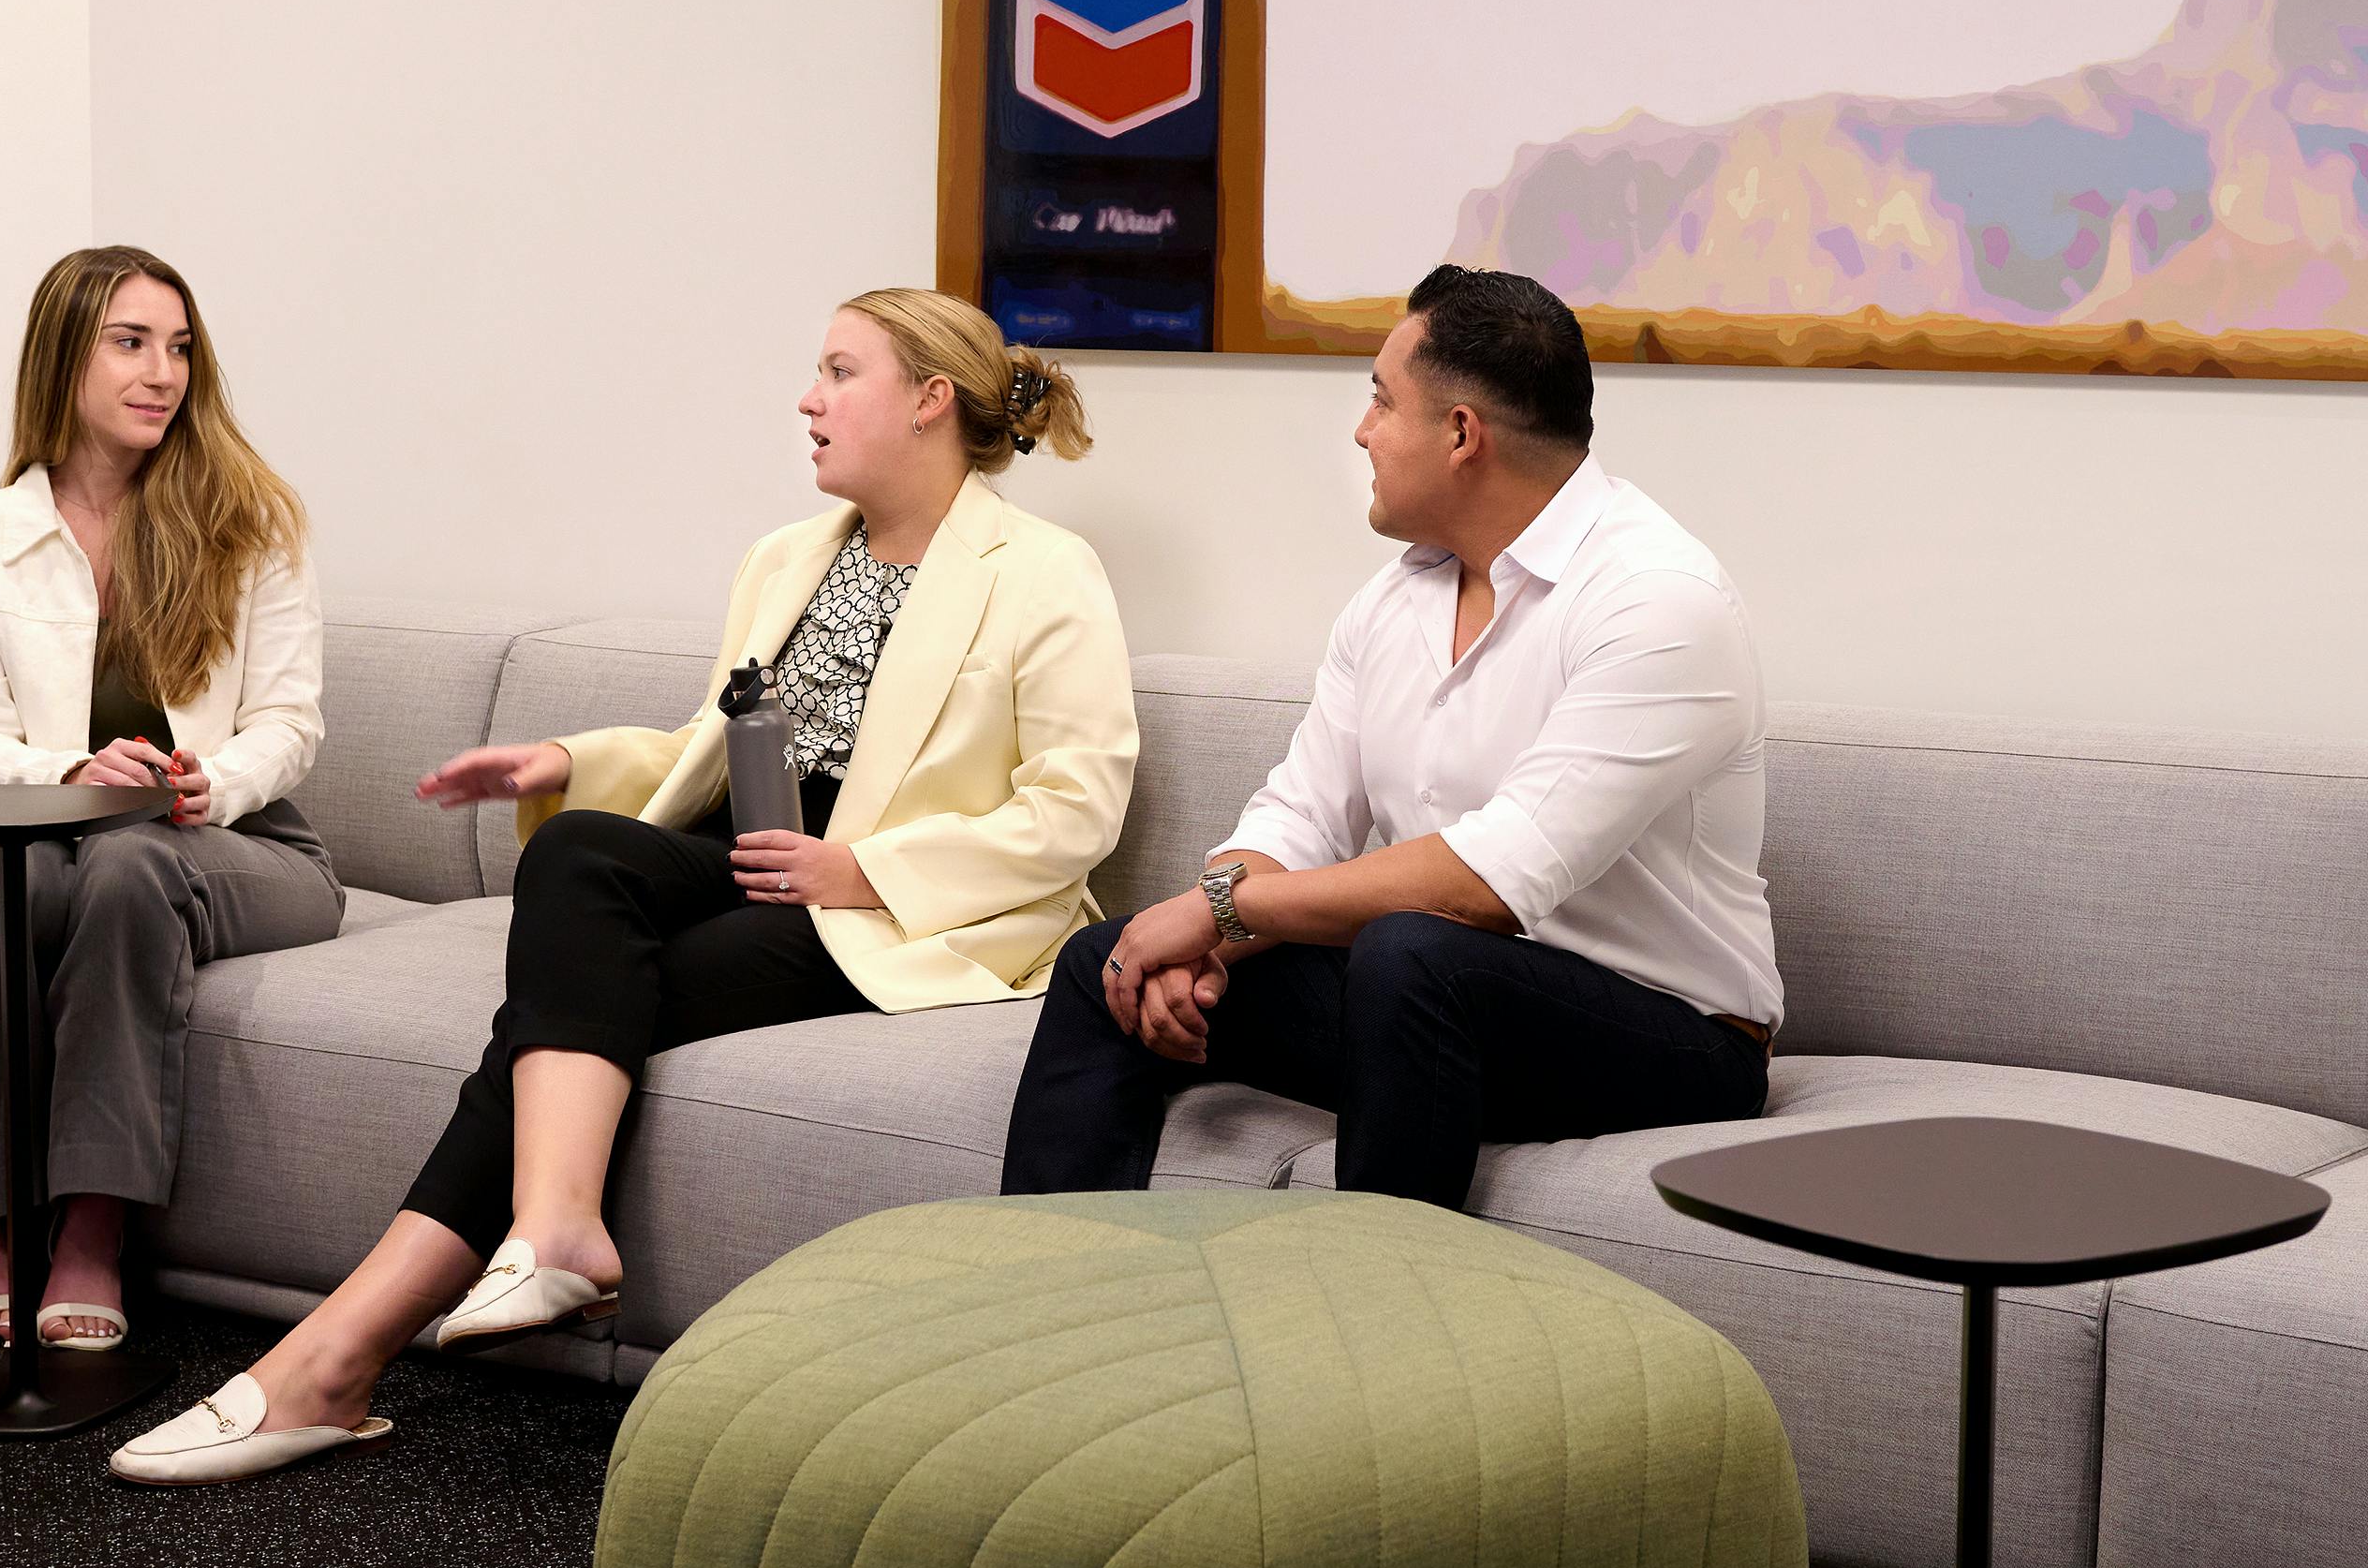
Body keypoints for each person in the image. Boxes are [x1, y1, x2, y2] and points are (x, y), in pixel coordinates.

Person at [106, 288, 1138, 1484]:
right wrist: (570, 762)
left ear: (927, 400)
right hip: (759, 857)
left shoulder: (1044, 572)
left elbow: (1077, 806)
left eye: (837, 372)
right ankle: (543, 1233)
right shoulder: (790, 558)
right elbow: (719, 745)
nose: (807, 399)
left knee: (568, 1011)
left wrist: (863, 869)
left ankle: (338, 1353)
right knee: (575, 848)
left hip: (900, 910)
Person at [1000, 264, 1781, 1211]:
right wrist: (1203, 943)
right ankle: (1055, 1309)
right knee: (1111, 965)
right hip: (1428, 1003)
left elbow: (1488, 884)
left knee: (1410, 952)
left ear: (1461, 435)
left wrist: (1220, 912)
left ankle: (1378, 1335)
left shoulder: (1657, 599)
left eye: (1380, 399)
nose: (1361, 430)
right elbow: (1299, 820)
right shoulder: (1395, 599)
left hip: (1670, 1038)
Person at [0, 246, 339, 1353]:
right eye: (131, 343)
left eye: (180, 349)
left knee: (130, 860)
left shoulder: (250, 521)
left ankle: (92, 1234)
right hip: (61, 834)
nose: (163, 373)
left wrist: (217, 781)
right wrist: (68, 774)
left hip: (244, 844)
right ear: (63, 358)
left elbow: (290, 724)